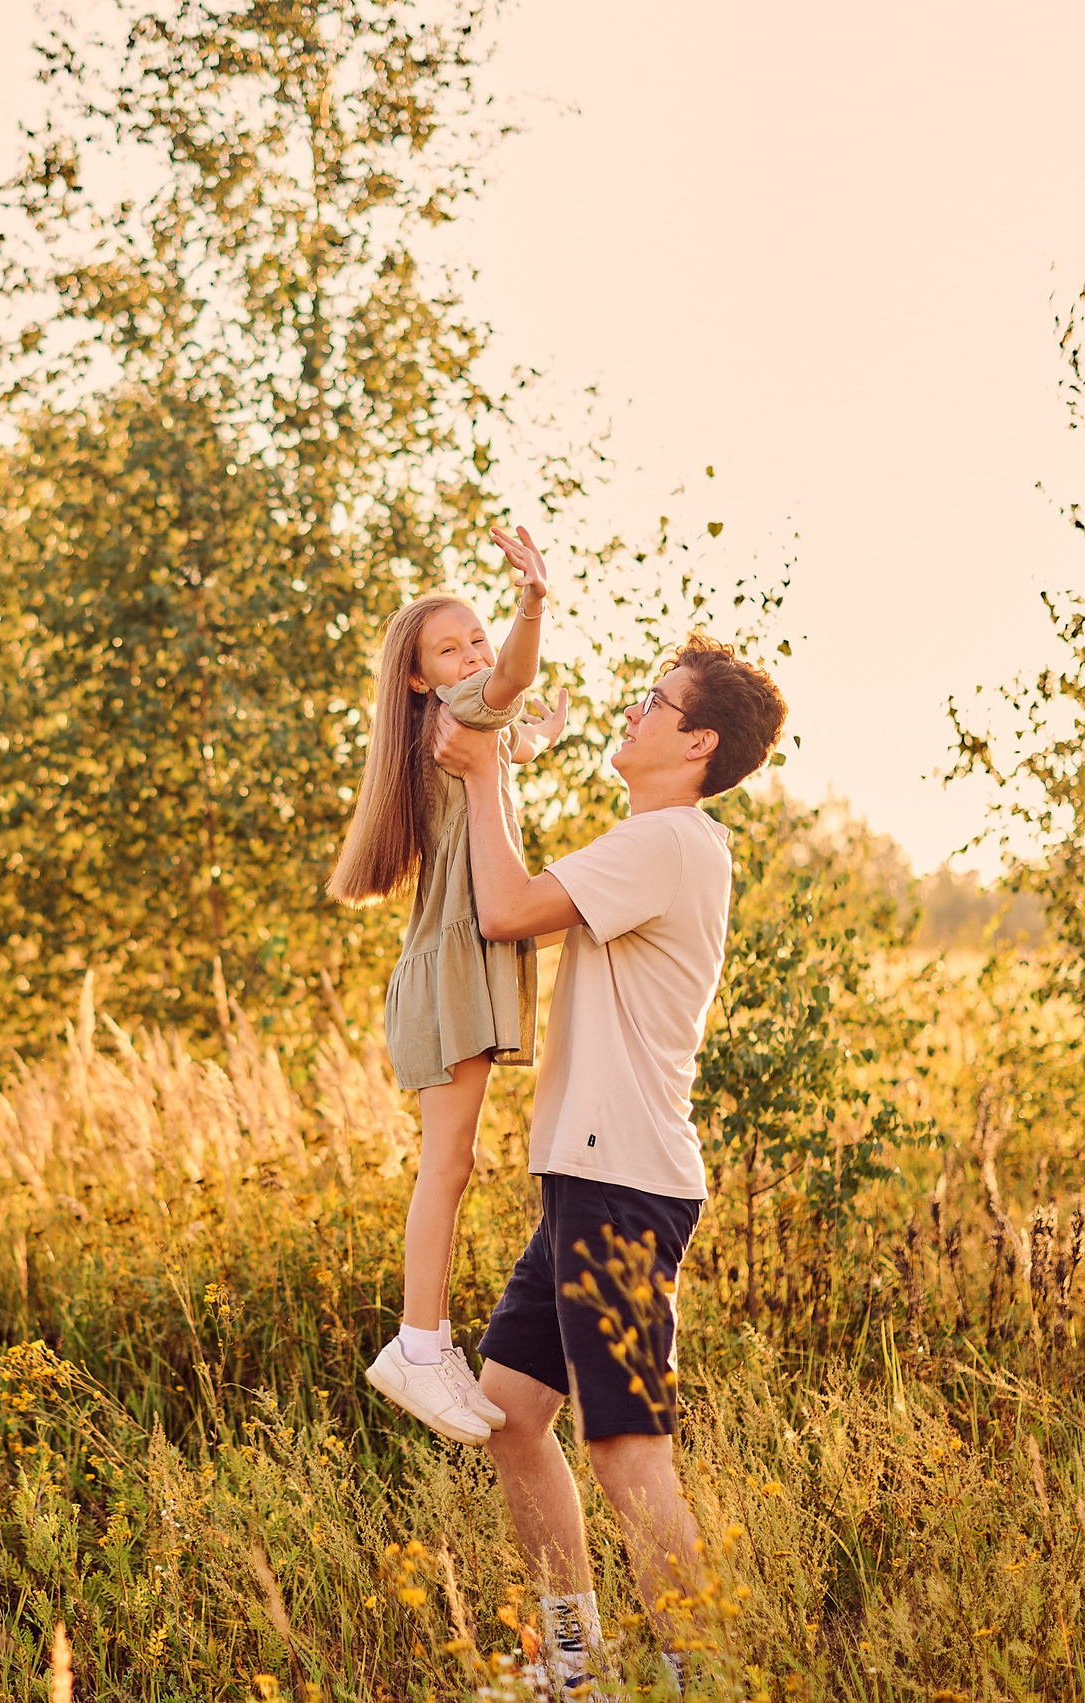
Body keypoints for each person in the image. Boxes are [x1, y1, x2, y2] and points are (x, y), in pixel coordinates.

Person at [432, 631, 787, 1694]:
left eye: (654, 700)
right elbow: (516, 898)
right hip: (593, 1177)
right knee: (509, 1411)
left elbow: (505, 910)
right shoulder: (651, 844)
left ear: (698, 740)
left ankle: (700, 1673)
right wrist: (488, 774)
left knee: (627, 1445)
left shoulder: (670, 840)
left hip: (623, 1182)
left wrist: (487, 764)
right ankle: (574, 1667)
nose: (632, 711)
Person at [326, 526, 572, 1446]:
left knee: (457, 1161)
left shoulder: (465, 729)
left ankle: (426, 1341)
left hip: (455, 963)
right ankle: (418, 1344)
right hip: (449, 968)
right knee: (449, 1162)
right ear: (424, 680)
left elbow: (505, 735)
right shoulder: (463, 709)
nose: (474, 654)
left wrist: (536, 740)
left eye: (477, 636)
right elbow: (507, 681)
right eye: (453, 648)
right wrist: (531, 602)